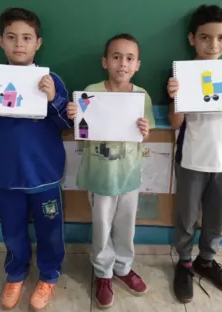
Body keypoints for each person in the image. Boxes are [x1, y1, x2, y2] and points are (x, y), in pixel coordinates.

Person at [0, 7, 71, 311]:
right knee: (12, 228)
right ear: (1, 42)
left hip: (44, 176)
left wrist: (54, 101)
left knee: (50, 229)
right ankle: (16, 272)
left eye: (26, 37)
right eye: (11, 37)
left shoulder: (51, 80)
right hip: (4, 175)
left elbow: (69, 125)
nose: (19, 44)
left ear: (39, 42)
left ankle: (49, 274)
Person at [166, 5, 222, 304]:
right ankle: (184, 262)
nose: (214, 45)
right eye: (205, 38)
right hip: (192, 157)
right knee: (186, 216)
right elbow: (176, 122)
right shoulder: (182, 74)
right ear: (192, 39)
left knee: (217, 218)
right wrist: (175, 97)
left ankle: (207, 259)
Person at [66, 33, 155, 309]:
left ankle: (123, 268)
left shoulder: (141, 96)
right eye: (116, 57)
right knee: (102, 226)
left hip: (128, 175)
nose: (123, 64)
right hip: (100, 175)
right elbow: (81, 130)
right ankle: (103, 272)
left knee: (125, 226)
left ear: (138, 64)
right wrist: (74, 114)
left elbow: (147, 134)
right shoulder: (92, 91)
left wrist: (145, 131)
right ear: (105, 61)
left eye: (129, 58)